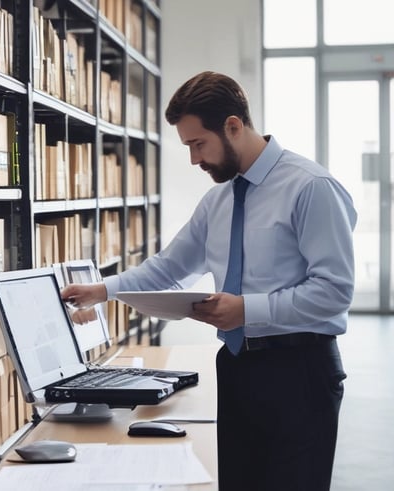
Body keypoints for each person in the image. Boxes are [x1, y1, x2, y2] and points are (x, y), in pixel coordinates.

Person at [60, 71, 356, 491]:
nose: (194, 160)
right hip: (237, 367)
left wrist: (246, 309)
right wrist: (104, 290)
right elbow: (169, 266)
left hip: (299, 372)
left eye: (198, 144)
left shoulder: (311, 188)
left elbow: (334, 292)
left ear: (233, 126)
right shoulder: (218, 200)